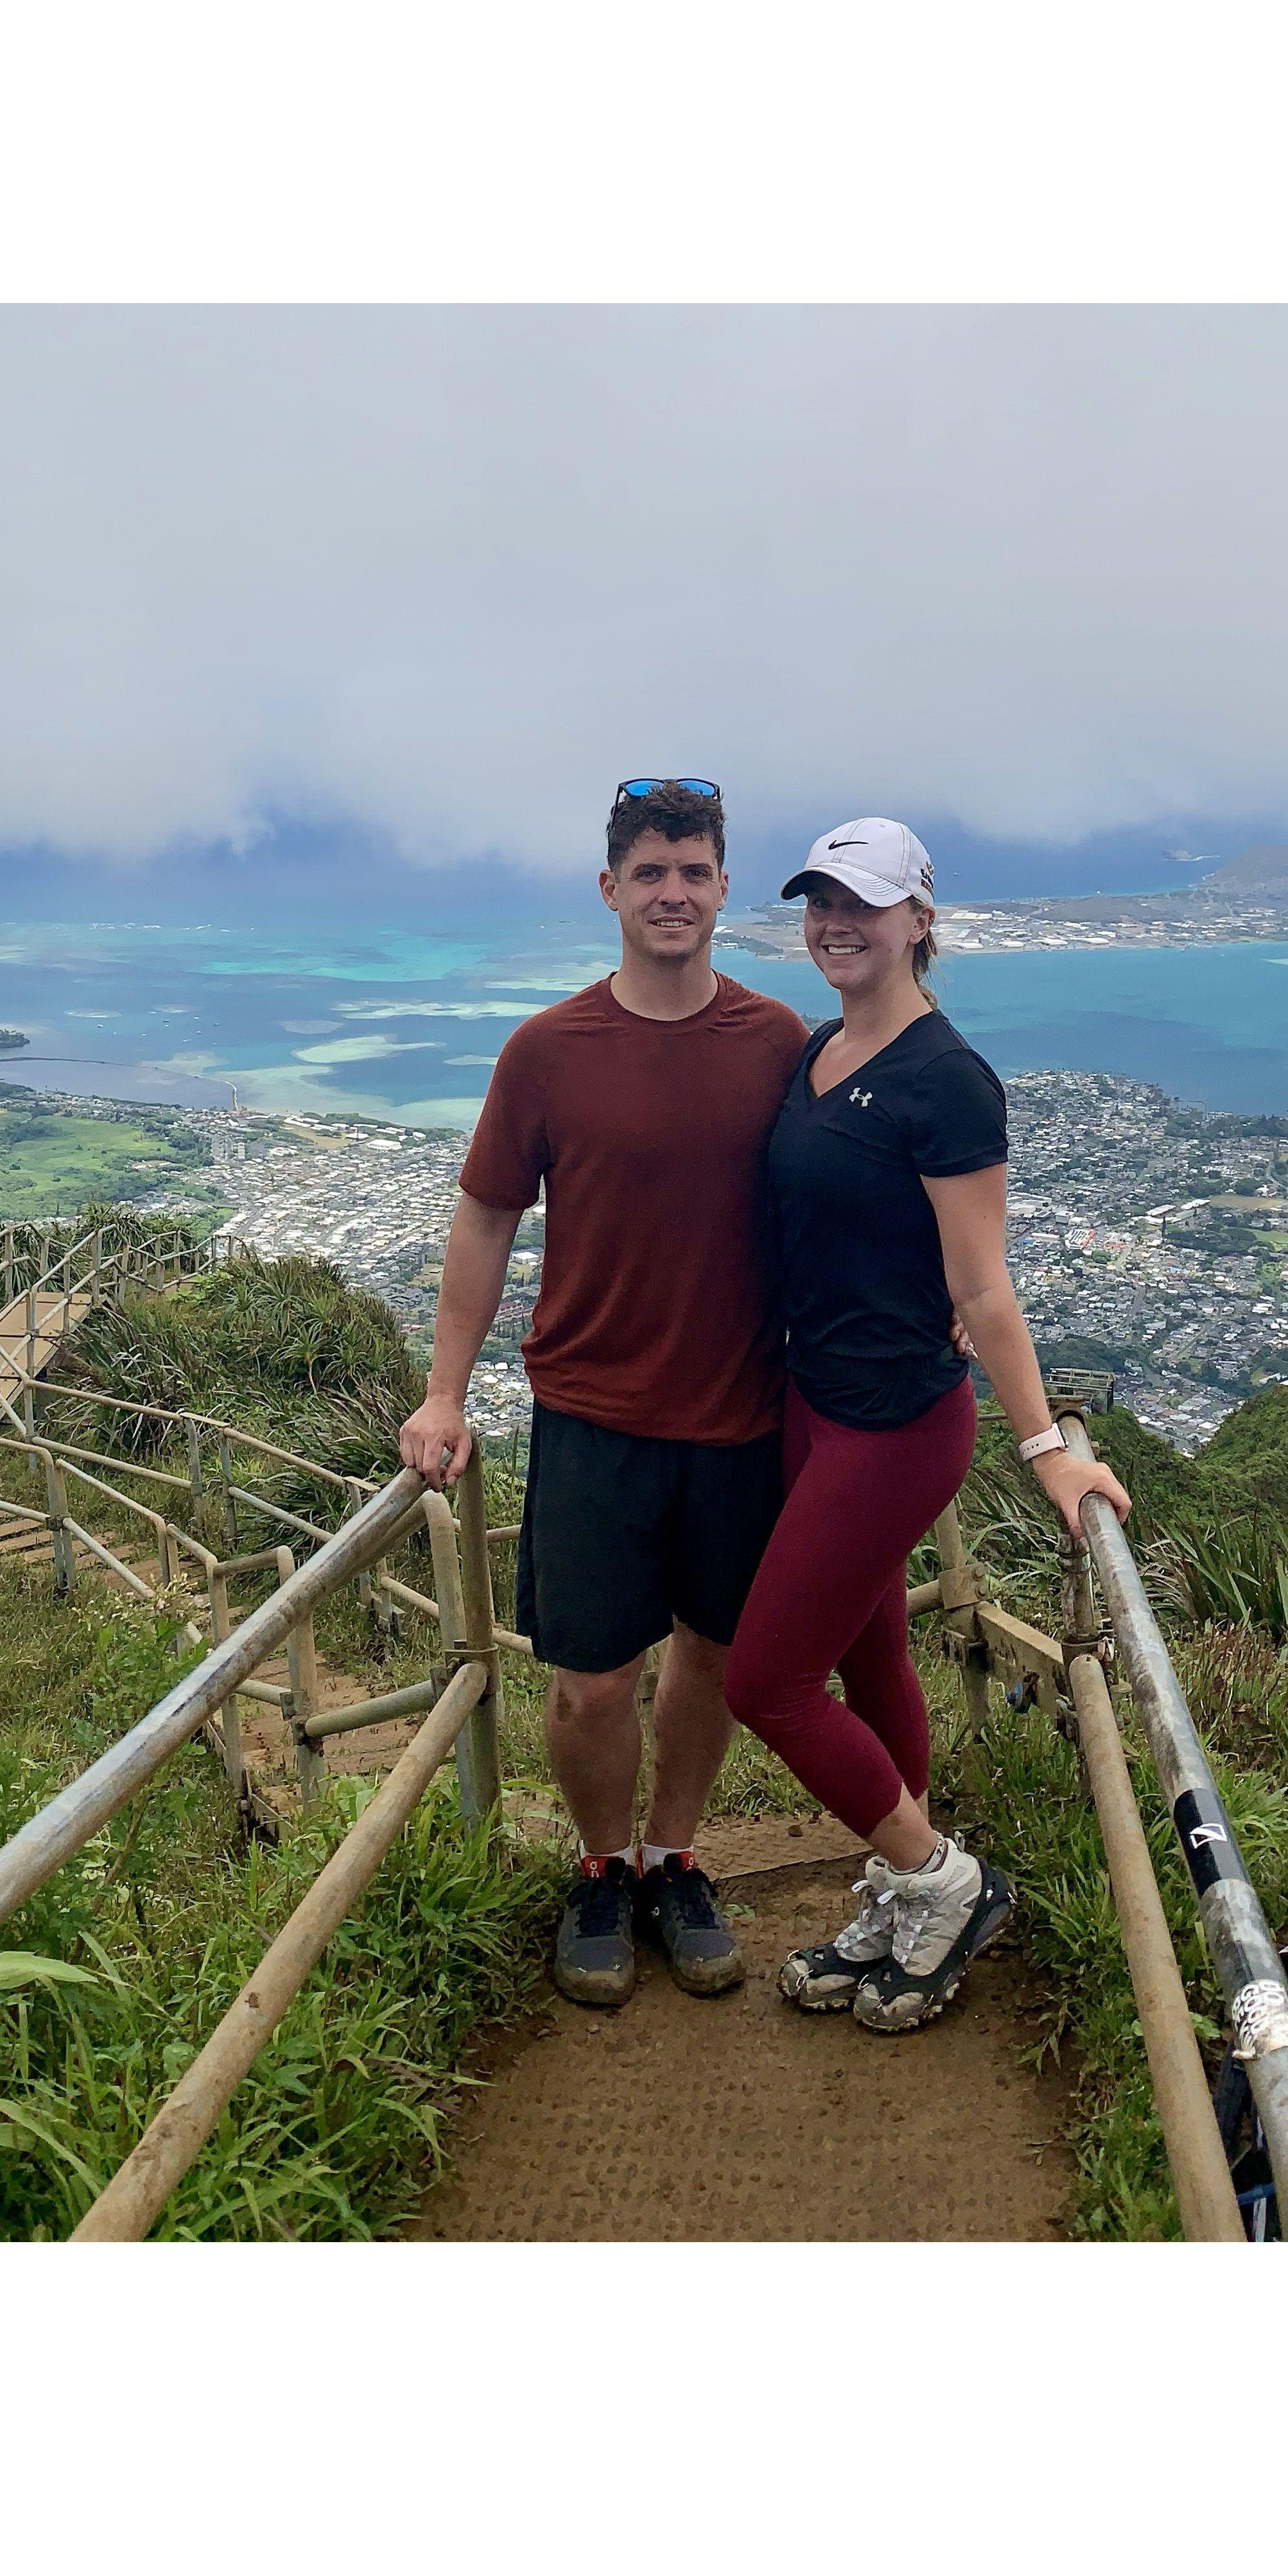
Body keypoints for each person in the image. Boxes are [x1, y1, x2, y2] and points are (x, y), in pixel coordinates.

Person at [398, 778, 806, 2010]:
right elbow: (484, 1216)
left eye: (693, 871)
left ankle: (673, 1856)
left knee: (713, 1657)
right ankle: (596, 1865)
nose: (673, 893)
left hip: (743, 1416)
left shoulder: (780, 1043)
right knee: (587, 1678)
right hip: (591, 1417)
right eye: (650, 872)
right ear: (610, 890)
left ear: (725, 886)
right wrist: (442, 1394)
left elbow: (847, 1189)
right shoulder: (548, 1051)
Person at [724, 815, 1130, 2033]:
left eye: (862, 901)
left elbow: (983, 1288)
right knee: (867, 1654)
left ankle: (946, 1882)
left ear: (919, 919)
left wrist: (1048, 1448)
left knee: (768, 1683)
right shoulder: (816, 1052)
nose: (835, 922)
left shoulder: (946, 1079)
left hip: (897, 1426)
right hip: (813, 1401)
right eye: (817, 902)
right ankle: (910, 1885)